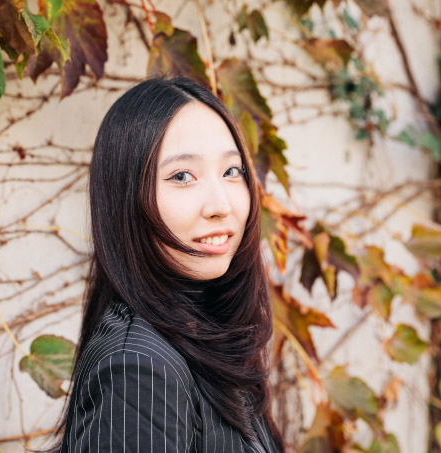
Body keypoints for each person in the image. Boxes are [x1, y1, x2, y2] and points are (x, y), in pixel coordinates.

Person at [52, 77, 283, 452]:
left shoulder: (206, 334)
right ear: (127, 199)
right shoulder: (138, 368)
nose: (221, 205)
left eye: (231, 171)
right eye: (182, 176)